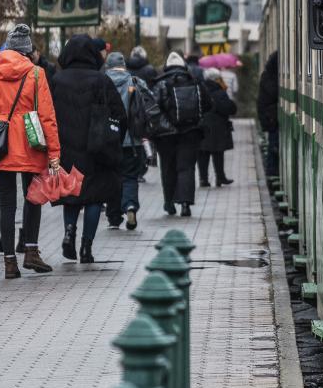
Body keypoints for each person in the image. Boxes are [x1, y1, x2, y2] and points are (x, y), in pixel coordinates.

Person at [0, 24, 61, 279]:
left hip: (1, 145)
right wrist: (54, 153)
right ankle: (31, 250)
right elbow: (47, 116)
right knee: (34, 198)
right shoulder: (36, 74)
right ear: (28, 51)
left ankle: (10, 261)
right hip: (32, 142)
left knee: (6, 204)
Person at [50, 36, 126, 262]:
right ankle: (86, 247)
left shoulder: (57, 80)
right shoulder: (101, 80)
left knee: (71, 195)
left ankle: (69, 233)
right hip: (96, 149)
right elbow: (119, 114)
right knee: (94, 198)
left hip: (66, 148)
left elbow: (47, 113)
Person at [150, 52, 207, 218]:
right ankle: (185, 204)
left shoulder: (161, 83)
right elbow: (208, 103)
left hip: (166, 135)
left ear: (166, 66)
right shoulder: (194, 81)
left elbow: (153, 108)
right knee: (186, 167)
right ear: (184, 66)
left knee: (168, 168)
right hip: (190, 132)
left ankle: (169, 203)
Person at [104, 52, 150, 230]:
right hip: (132, 139)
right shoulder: (136, 82)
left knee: (111, 176)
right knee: (130, 176)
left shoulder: (102, 82)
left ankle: (114, 216)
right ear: (124, 65)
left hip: (108, 139)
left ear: (108, 65)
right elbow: (148, 105)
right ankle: (130, 205)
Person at [197, 67, 237, 188]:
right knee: (218, 153)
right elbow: (229, 109)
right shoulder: (219, 92)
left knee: (202, 153)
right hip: (218, 127)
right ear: (216, 79)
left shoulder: (199, 90)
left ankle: (203, 179)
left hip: (202, 126)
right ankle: (220, 177)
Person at [257, 51, 279, 181]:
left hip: (268, 115)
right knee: (273, 144)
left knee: (273, 143)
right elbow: (273, 92)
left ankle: (271, 171)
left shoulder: (267, 75)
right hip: (270, 116)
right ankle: (271, 171)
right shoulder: (269, 77)